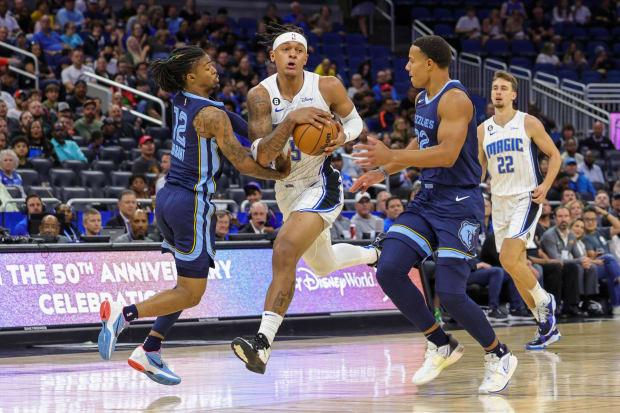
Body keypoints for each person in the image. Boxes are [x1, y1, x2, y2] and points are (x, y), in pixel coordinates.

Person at [97, 46, 291, 386]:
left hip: (168, 199)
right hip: (191, 203)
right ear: (190, 76)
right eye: (207, 66)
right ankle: (124, 315)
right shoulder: (211, 116)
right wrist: (282, 175)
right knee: (192, 294)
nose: (215, 69)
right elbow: (244, 162)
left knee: (183, 286)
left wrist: (281, 133)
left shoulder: (184, 101)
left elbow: (246, 130)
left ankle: (151, 349)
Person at [350, 36, 517, 393]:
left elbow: (446, 154)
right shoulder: (423, 98)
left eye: (411, 60)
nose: (406, 67)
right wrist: (385, 170)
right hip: (427, 199)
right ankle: (441, 342)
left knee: (452, 293)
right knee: (390, 269)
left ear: (430, 63)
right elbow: (422, 141)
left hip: (460, 206)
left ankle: (499, 354)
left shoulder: (456, 99)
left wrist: (391, 154)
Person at [231, 24, 381, 375]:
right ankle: (376, 252)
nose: (293, 54)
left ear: (306, 57)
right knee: (323, 264)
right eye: (286, 50)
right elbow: (263, 157)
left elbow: (356, 122)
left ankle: (262, 344)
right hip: (286, 190)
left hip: (321, 183)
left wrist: (343, 135)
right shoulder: (260, 95)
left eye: (299, 50)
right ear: (273, 56)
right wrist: (292, 121)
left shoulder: (326, 86)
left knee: (284, 248)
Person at [478, 70, 562, 349]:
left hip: (525, 197)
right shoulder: (483, 129)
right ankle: (545, 326)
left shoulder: (528, 122)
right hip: (499, 201)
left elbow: (555, 155)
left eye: (504, 88)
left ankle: (544, 301)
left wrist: (546, 186)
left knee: (510, 257)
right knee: (513, 265)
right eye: (495, 88)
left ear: (514, 95)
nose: (498, 92)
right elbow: (479, 171)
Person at [540, 206, 588, 317]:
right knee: (558, 267)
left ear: (570, 218)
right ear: (554, 218)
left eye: (566, 216)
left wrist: (583, 260)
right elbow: (556, 259)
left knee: (573, 267)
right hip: (548, 265)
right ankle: (555, 307)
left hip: (564, 265)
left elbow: (578, 255)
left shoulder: (571, 235)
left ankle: (571, 306)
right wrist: (581, 260)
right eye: (560, 216)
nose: (563, 219)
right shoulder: (549, 235)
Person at [581, 206, 620, 315]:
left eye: (593, 219)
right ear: (582, 220)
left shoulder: (600, 231)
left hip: (607, 267)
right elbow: (588, 256)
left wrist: (604, 212)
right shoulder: (582, 235)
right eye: (587, 219)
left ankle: (616, 306)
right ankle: (617, 305)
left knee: (611, 273)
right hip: (594, 268)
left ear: (597, 220)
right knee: (610, 258)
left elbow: (618, 227)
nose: (590, 222)